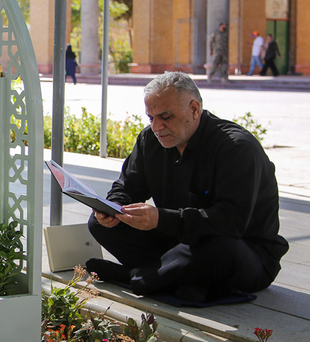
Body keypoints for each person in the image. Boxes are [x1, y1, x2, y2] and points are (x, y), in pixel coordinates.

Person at [86, 72, 288, 302]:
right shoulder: (150, 140)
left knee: (219, 249)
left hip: (241, 251)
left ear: (194, 109)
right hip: (178, 244)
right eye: (151, 118)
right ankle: (170, 276)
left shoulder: (237, 148)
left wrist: (161, 219)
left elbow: (231, 223)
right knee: (100, 224)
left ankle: (135, 276)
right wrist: (113, 208)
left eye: (166, 117)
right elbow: (127, 186)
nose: (157, 126)